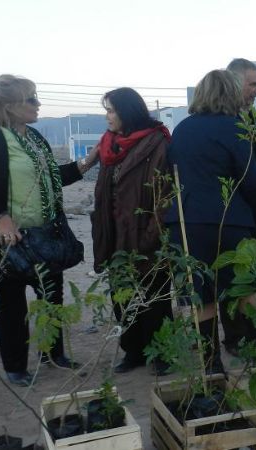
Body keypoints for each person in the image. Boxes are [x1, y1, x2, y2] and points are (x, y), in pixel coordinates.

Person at [0, 74, 98, 386]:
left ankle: (53, 354)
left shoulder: (34, 139)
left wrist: (85, 164)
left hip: (44, 235)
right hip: (10, 238)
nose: (38, 104)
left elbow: (50, 178)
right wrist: (1, 216)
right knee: (11, 302)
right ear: (10, 105)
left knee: (52, 294)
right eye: (31, 99)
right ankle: (16, 366)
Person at [164, 69, 256, 370]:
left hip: (186, 224)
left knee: (200, 294)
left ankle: (211, 365)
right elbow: (252, 181)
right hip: (230, 221)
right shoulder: (236, 127)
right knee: (246, 289)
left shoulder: (182, 129)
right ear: (231, 94)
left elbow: (173, 172)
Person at [91, 88, 173, 374]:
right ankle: (134, 351)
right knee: (122, 296)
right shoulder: (109, 144)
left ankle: (163, 353)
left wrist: (152, 235)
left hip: (145, 233)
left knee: (154, 296)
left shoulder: (157, 141)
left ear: (127, 111)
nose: (107, 116)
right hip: (114, 233)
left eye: (111, 110)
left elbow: (165, 195)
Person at [226, 58, 256, 240]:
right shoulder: (223, 120)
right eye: (253, 84)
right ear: (235, 84)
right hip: (231, 216)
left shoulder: (250, 116)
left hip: (253, 214)